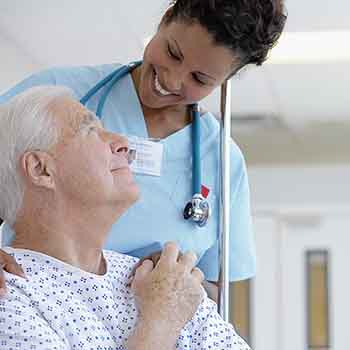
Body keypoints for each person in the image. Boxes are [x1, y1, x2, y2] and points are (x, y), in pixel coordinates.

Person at [0, 0, 287, 296]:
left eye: (199, 78)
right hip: (34, 313)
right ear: (164, 22)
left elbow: (219, 292)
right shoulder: (57, 95)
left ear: (224, 81)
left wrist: (182, 282)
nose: (172, 79)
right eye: (173, 53)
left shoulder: (224, 162)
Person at [0, 86, 250, 350]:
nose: (124, 143)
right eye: (89, 130)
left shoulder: (165, 282)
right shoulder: (10, 296)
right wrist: (161, 322)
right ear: (41, 169)